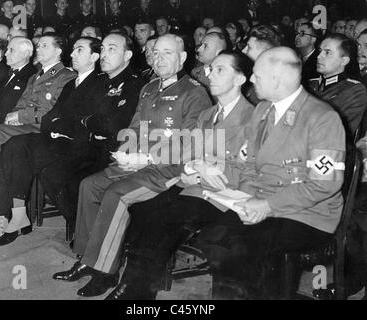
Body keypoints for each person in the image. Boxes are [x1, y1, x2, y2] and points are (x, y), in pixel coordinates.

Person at [106, 47, 347, 300]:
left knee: (232, 245)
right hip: (258, 200)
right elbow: (250, 166)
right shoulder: (264, 112)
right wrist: (245, 198)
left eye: (257, 75)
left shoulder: (321, 118)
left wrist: (265, 204)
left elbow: (324, 186)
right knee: (213, 237)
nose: (252, 80)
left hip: (306, 213)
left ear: (277, 78)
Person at [52, 34, 212, 298]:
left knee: (117, 194)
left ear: (182, 58)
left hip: (168, 169)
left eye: (167, 53)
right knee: (90, 185)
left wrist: (147, 158)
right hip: (139, 162)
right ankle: (87, 258)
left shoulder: (194, 93)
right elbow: (135, 127)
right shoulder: (149, 88)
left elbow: (192, 145)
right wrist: (126, 150)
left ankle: (105, 272)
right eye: (156, 53)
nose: (159, 59)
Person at [0, 34, 143, 248]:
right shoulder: (79, 83)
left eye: (79, 50)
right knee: (15, 145)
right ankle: (14, 217)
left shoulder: (114, 82)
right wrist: (70, 124)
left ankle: (79, 227)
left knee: (40, 163)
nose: (72, 53)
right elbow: (52, 117)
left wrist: (73, 124)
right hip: (62, 139)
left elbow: (105, 125)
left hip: (90, 147)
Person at [0, 33, 76, 233]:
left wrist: (21, 116)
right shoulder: (35, 76)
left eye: (44, 46)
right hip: (22, 128)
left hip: (40, 130)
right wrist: (14, 115)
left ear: (58, 51)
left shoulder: (66, 76)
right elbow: (20, 103)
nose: (39, 49)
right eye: (38, 45)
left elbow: (52, 111)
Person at [308, 33, 367, 138]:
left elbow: (340, 133)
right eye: (320, 51)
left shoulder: (354, 91)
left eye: (327, 53)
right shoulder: (310, 84)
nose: (319, 56)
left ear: (344, 60)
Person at [242, 24, 282, 105]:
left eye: (249, 47)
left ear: (264, 52)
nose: (243, 50)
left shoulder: (269, 83)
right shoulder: (250, 73)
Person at [191, 32, 227, 97]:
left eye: (205, 46)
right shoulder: (195, 72)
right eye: (201, 45)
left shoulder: (223, 77)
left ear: (218, 52)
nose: (199, 49)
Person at [295, 22, 320, 86]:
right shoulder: (294, 57)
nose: (297, 37)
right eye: (297, 33)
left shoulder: (318, 61)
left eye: (302, 34)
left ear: (313, 39)